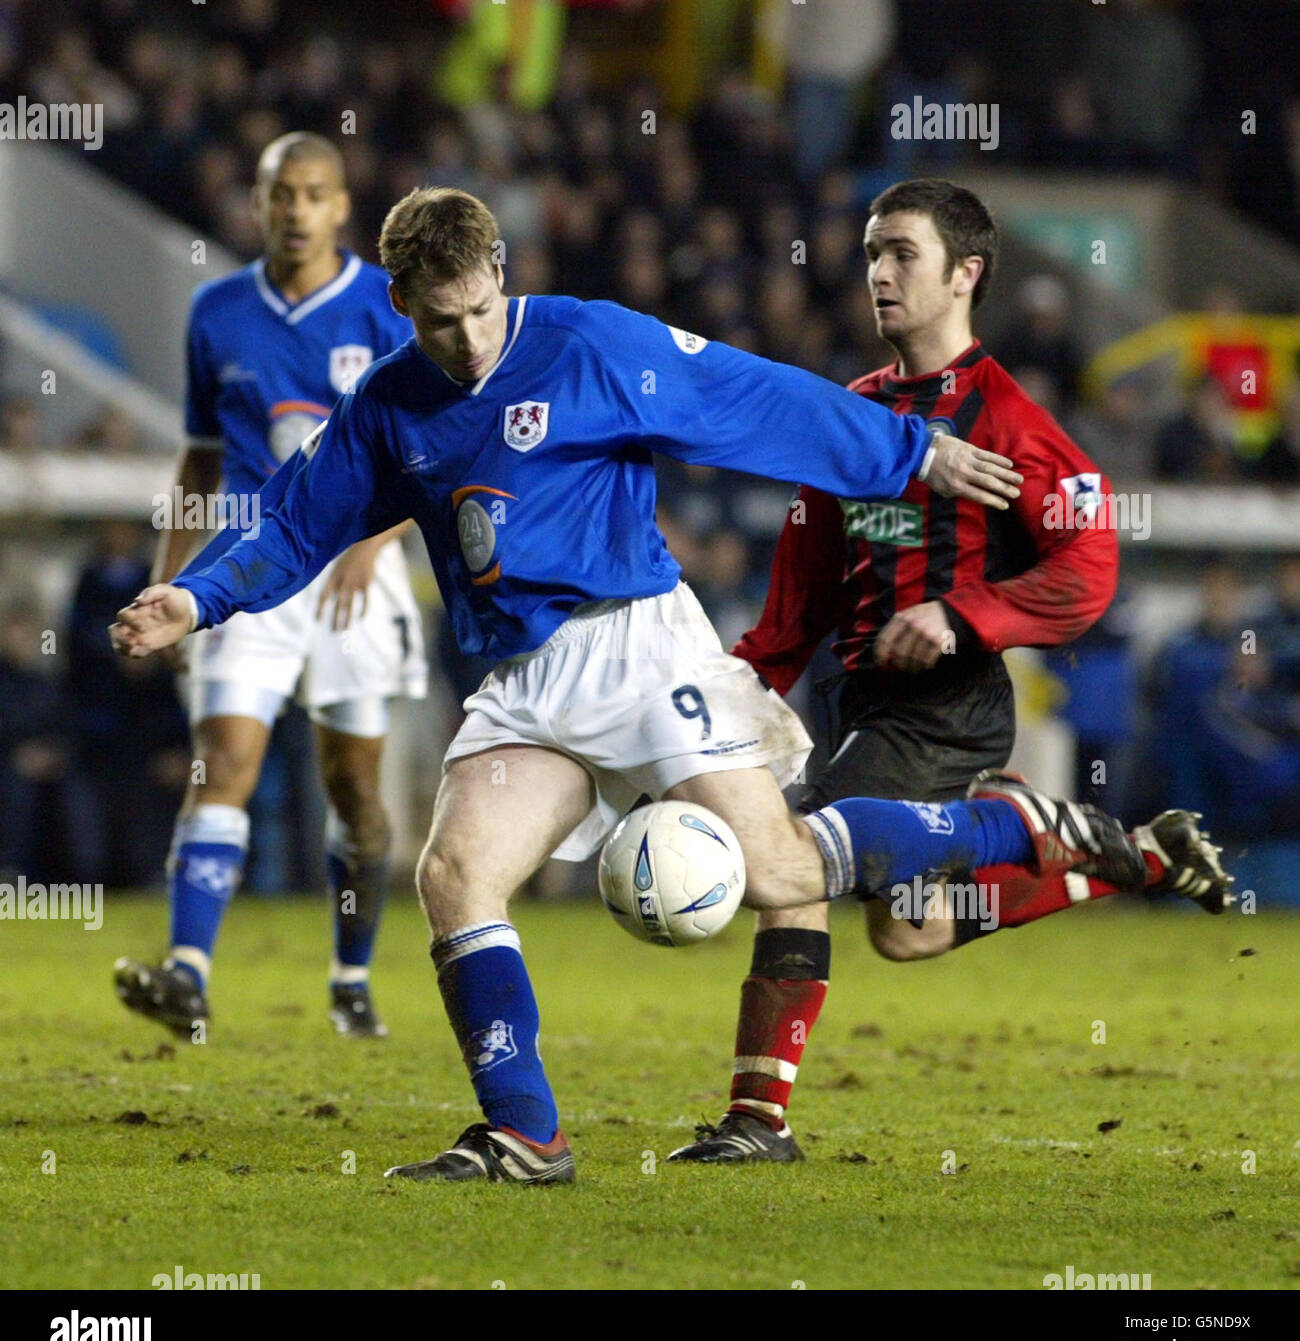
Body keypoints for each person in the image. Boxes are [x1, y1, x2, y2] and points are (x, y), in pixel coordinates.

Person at [111, 186, 1145, 1186]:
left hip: (641, 652)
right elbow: (297, 520)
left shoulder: (591, 344)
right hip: (524, 682)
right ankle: (525, 1137)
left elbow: (750, 395)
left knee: (784, 875)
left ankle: (1015, 830)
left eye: (480, 311)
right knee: (453, 875)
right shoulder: (390, 404)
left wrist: (908, 450)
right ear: (399, 306)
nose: (469, 342)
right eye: (440, 322)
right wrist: (196, 601)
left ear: (500, 278)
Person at [672, 179, 1234, 1165]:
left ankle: (757, 1122)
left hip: (943, 706)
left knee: (796, 861)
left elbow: (1087, 561)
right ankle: (1118, 857)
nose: (879, 274)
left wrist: (964, 614)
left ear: (965, 273)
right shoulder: (854, 414)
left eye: (901, 254)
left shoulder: (1010, 422)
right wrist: (746, 676)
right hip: (853, 700)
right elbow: (803, 581)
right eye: (871, 254)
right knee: (911, 931)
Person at [113, 133, 427, 1040]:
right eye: (280, 193)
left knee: (356, 791)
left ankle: (351, 974)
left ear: (341, 207)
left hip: (356, 579)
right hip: (245, 567)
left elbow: (437, 442)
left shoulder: (385, 304)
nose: (295, 209)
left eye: (314, 193)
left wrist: (379, 541)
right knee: (226, 760)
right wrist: (168, 582)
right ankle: (187, 976)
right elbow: (202, 460)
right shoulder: (216, 313)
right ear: (257, 203)